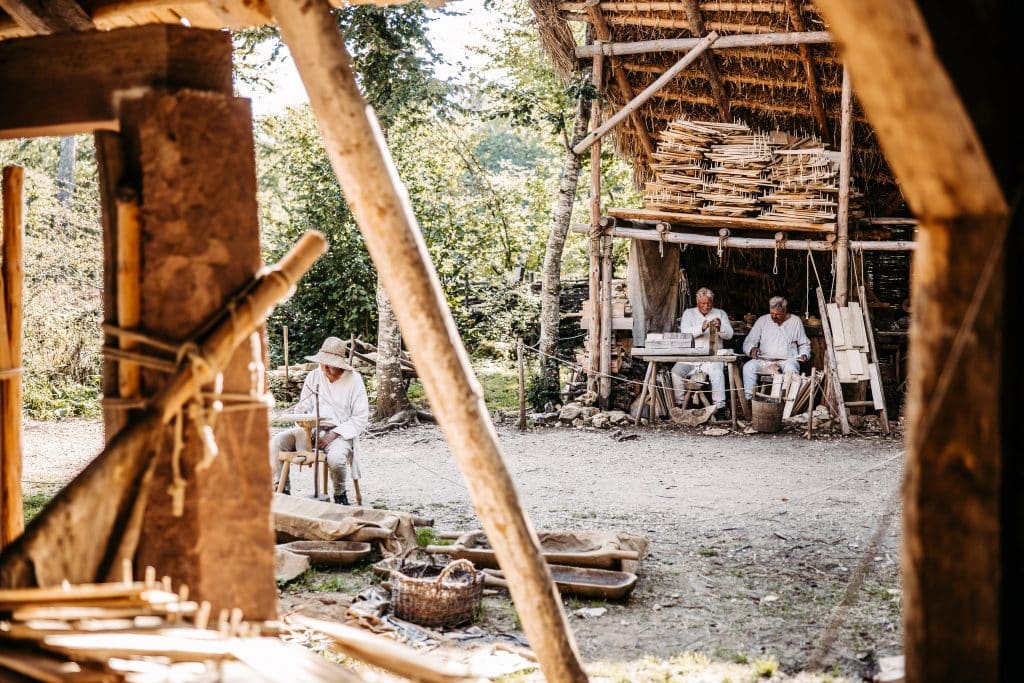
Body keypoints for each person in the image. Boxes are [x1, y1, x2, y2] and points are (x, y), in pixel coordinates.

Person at [270, 336, 369, 505]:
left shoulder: (354, 380)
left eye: (328, 364)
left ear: (339, 364)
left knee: (336, 460)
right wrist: (302, 421)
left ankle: (340, 495)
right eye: (322, 363)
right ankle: (282, 492)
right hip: (311, 429)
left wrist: (332, 435)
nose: (323, 367)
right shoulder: (314, 376)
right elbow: (302, 408)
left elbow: (360, 419)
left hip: (338, 434)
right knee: (277, 442)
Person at [671, 287, 734, 421]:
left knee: (717, 373)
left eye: (709, 303)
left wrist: (720, 327)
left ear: (713, 302)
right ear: (697, 301)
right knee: (675, 372)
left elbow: (729, 335)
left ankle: (720, 408)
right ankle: (681, 404)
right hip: (690, 358)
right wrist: (701, 328)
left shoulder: (720, 313)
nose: (706, 306)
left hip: (711, 358)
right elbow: (684, 333)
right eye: (703, 303)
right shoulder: (689, 313)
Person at [742, 296, 811, 400]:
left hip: (787, 360)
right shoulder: (762, 320)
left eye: (777, 314)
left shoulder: (795, 321)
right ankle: (750, 399)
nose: (773, 317)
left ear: (784, 311)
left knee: (791, 369)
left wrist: (804, 354)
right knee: (748, 367)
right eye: (772, 314)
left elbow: (804, 344)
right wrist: (752, 349)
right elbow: (749, 341)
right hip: (764, 360)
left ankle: (786, 401)